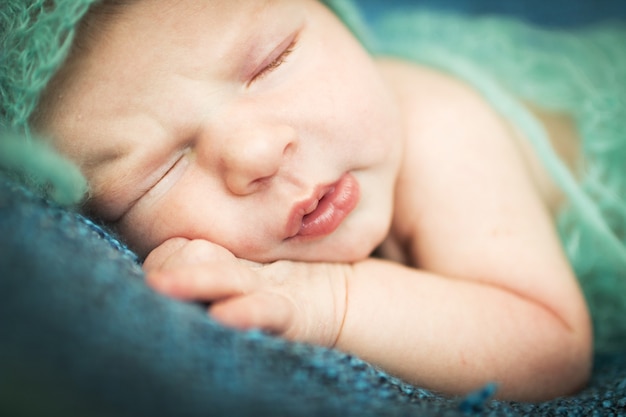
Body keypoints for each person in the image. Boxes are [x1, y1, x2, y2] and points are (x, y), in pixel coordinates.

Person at [15, 0, 626, 402]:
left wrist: (324, 301)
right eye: (156, 174)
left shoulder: (442, 126)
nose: (256, 153)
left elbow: (550, 346)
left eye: (271, 62)